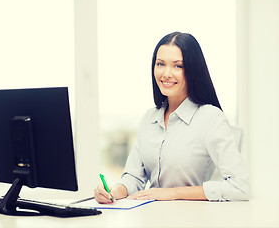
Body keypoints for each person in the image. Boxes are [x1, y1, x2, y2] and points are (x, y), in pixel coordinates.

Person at [94, 31, 249, 203]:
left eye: (178, 66)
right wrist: (113, 191)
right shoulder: (149, 118)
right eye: (160, 64)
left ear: (193, 71)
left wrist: (174, 193)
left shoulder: (210, 118)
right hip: (151, 216)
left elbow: (239, 187)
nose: (166, 73)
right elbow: (134, 177)